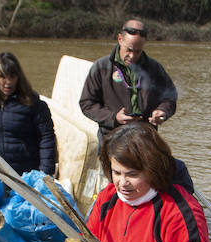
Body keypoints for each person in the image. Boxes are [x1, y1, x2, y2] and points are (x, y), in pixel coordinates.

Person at [78, 18, 192, 193]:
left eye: (138, 51)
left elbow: (170, 98)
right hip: (112, 140)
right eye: (129, 50)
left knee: (148, 185)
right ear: (120, 39)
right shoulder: (101, 68)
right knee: (117, 185)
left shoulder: (154, 69)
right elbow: (87, 103)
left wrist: (162, 111)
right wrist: (113, 117)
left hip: (145, 140)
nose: (132, 56)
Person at [0, 51, 57, 176]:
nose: (8, 82)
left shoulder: (32, 102)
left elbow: (46, 138)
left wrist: (45, 173)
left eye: (12, 77)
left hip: (24, 173)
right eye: (2, 77)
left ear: (18, 77)